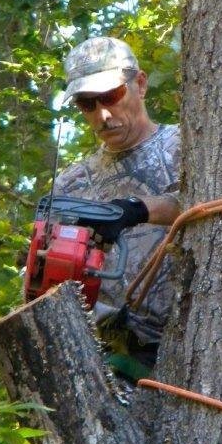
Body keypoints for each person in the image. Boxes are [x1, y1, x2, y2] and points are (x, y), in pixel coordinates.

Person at [54, 36, 181, 378]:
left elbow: (216, 207)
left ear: (140, 84)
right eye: (87, 104)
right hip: (116, 362)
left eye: (111, 96)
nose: (103, 115)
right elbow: (61, 287)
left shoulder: (187, 146)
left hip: (199, 336)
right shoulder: (71, 186)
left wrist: (135, 210)